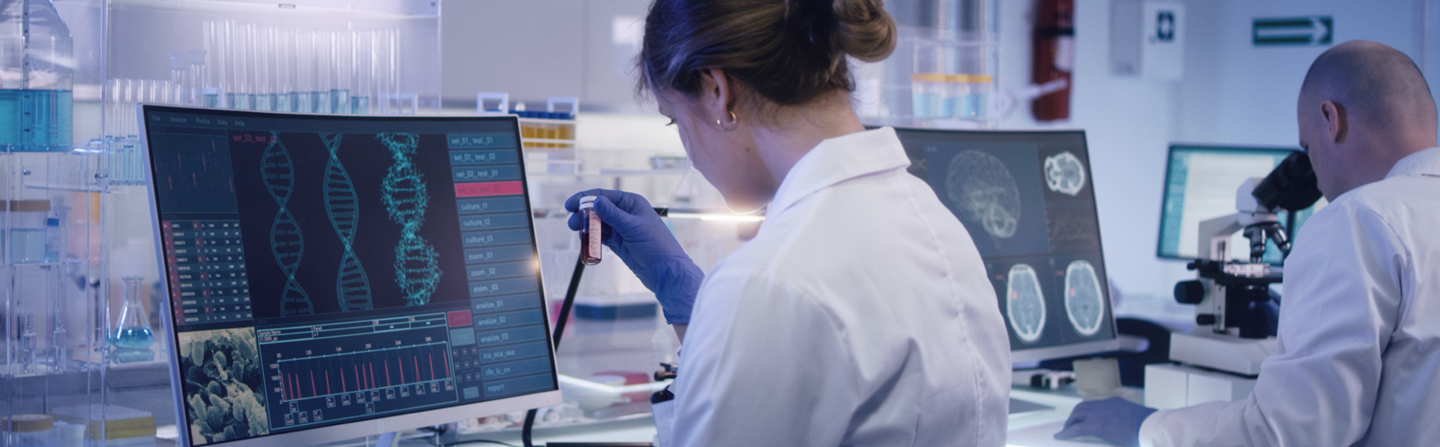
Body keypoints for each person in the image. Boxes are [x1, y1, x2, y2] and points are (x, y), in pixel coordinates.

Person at [562, 0, 1011, 445]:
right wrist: (696, 311)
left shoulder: (770, 281)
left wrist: (728, 308)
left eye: (674, 119)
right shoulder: (935, 221)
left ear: (718, 91)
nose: (689, 152)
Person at [1055, 40, 1440, 447]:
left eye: (1308, 148)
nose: (1318, 181)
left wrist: (1146, 427)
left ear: (1331, 119)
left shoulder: (1359, 217)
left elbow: (1288, 432)